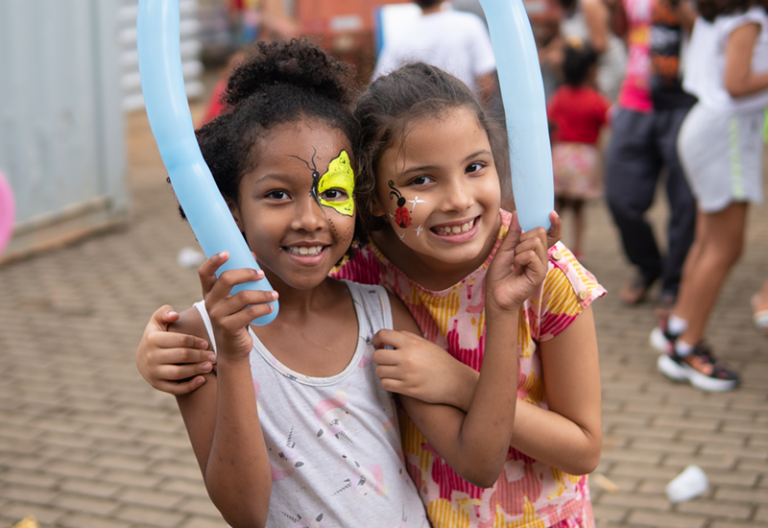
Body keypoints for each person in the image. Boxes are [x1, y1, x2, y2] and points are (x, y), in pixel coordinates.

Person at [137, 61, 604, 527]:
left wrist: (462, 372)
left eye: (475, 167)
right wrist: (164, 349)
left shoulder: (527, 279)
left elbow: (536, 453)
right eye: (421, 179)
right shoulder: (363, 274)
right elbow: (243, 512)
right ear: (374, 199)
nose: (310, 219)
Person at [651, 0, 768, 391]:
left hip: (708, 127)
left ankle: (680, 326)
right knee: (724, 248)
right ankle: (688, 349)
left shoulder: (713, 11)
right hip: (727, 133)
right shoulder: (748, 18)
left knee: (708, 241)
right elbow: (737, 85)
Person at [604, 0, 698, 308]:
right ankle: (648, 265)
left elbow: (705, 33)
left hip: (683, 101)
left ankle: (676, 281)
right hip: (635, 99)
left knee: (685, 203)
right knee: (620, 198)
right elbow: (623, 32)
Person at [548, 38, 611, 258]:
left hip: (561, 156)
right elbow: (611, 120)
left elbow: (549, 120)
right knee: (579, 208)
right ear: (591, 71)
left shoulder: (559, 96)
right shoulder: (596, 99)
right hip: (585, 159)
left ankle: (553, 244)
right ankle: (578, 248)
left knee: (558, 206)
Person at [372, 0, 497, 106]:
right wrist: (475, 115)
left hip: (419, 123)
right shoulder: (469, 24)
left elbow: (381, 86)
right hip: (465, 114)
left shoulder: (399, 35)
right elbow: (486, 83)